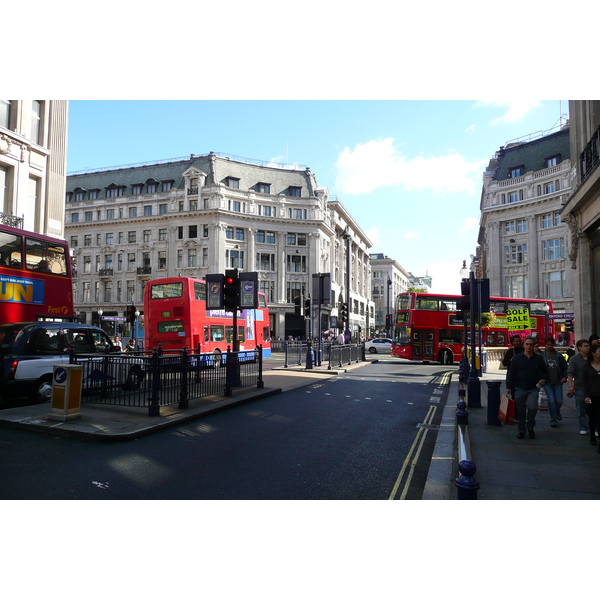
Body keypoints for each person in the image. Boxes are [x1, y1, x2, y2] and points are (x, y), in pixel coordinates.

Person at [506, 335, 548, 440]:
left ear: (534, 346)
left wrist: (543, 378)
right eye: (527, 344)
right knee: (520, 411)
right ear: (524, 345)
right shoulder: (517, 358)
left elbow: (544, 371)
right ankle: (521, 430)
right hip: (519, 388)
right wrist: (509, 386)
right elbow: (511, 373)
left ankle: (530, 427)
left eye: (531, 344)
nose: (529, 346)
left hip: (533, 388)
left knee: (532, 408)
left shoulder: (538, 359)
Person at [541, 336, 568, 427]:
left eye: (551, 344)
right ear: (545, 345)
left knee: (559, 401)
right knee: (551, 401)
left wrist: (565, 376)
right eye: (548, 345)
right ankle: (553, 419)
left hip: (558, 381)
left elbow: (565, 367)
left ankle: (557, 412)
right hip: (547, 382)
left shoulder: (558, 355)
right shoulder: (542, 356)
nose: (549, 346)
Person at [567, 339, 591, 435]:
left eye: (588, 346)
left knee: (593, 409)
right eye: (585, 346)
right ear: (580, 348)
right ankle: (583, 426)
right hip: (580, 387)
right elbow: (570, 372)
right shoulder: (575, 359)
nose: (588, 348)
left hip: (593, 387)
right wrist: (570, 385)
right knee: (581, 408)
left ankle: (595, 427)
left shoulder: (593, 358)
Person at [581, 343, 600, 453]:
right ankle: (592, 434)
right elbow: (584, 382)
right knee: (592, 418)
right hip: (592, 396)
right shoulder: (587, 367)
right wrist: (586, 396)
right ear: (593, 354)